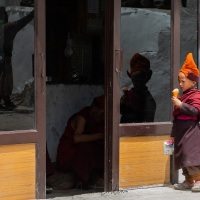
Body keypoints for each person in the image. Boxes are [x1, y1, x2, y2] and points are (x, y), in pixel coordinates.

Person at [56, 95, 104, 189]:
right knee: (85, 147)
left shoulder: (98, 120)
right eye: (102, 114)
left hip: (80, 154)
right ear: (94, 109)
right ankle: (83, 180)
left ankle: (99, 174)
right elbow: (77, 138)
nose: (103, 117)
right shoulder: (81, 118)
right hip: (67, 156)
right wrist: (101, 135)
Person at [171, 53, 200, 192]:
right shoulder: (182, 96)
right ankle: (188, 181)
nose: (180, 84)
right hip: (180, 130)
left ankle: (199, 180)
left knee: (191, 156)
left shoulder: (196, 95)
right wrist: (172, 135)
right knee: (182, 156)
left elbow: (195, 111)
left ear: (193, 82)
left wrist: (180, 104)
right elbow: (175, 117)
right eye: (179, 81)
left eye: (184, 81)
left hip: (191, 130)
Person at [0, 6, 34, 110]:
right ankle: (6, 99)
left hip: (5, 57)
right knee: (5, 80)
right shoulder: (9, 27)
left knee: (5, 80)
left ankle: (6, 99)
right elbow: (24, 20)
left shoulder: (8, 27)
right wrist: (36, 11)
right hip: (4, 58)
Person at [120, 53, 156, 123]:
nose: (136, 83)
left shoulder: (148, 100)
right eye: (134, 81)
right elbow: (120, 110)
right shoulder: (129, 95)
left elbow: (147, 123)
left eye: (139, 80)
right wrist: (123, 100)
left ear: (145, 79)